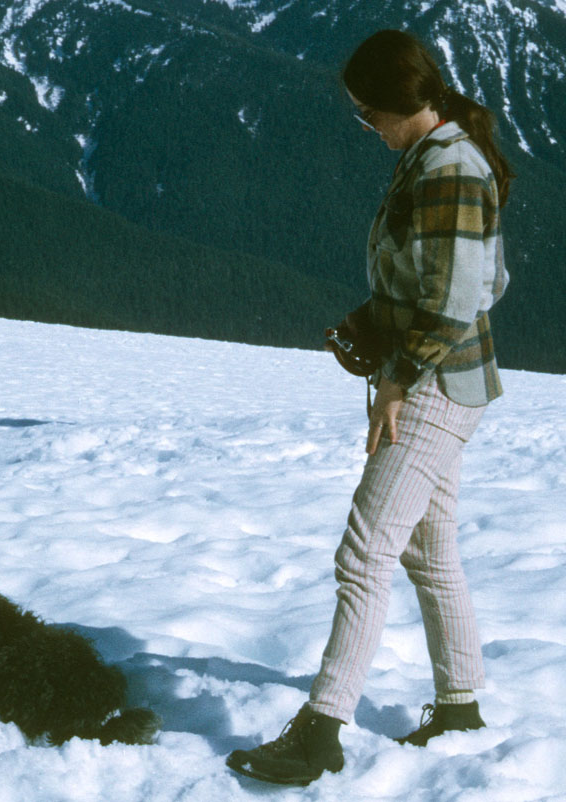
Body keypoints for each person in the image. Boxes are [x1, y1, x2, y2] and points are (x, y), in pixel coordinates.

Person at [227, 29, 511, 786]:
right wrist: (374, 319)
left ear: (398, 104)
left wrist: (395, 378)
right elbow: (461, 283)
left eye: (365, 113)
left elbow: (457, 304)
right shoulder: (433, 157)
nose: (365, 126)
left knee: (364, 554)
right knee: (427, 551)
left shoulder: (450, 168)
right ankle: (458, 707)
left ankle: (321, 731)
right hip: (447, 382)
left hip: (432, 389)